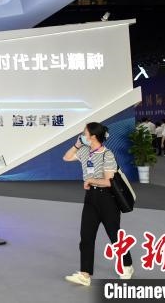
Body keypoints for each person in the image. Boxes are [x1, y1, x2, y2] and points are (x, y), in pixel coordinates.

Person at [63, 122, 133, 286]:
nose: (82, 135)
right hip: (91, 198)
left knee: (115, 236)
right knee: (86, 236)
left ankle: (127, 265)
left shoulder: (107, 154)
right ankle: (85, 275)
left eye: (84, 133)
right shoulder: (84, 151)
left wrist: (90, 180)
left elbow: (109, 181)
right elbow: (66, 157)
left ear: (93, 136)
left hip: (108, 199)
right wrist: (77, 144)